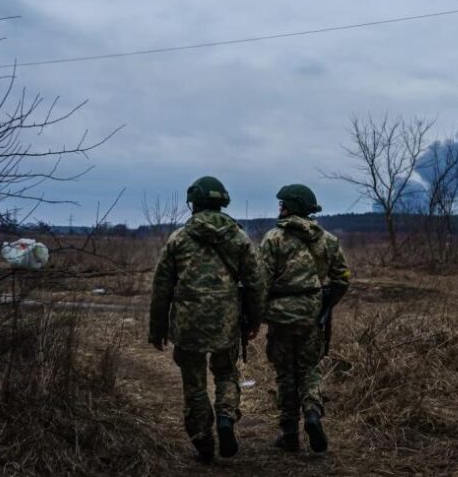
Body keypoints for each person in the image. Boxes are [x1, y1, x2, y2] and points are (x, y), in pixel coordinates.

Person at [148, 176, 264, 463]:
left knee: (194, 383)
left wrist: (157, 328)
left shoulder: (178, 239)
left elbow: (161, 287)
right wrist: (254, 320)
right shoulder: (239, 238)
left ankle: (203, 441)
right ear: (222, 202)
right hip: (226, 321)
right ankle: (225, 417)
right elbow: (255, 282)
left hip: (188, 324)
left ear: (194, 204)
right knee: (226, 372)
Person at [260, 184, 351, 453]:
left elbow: (260, 282)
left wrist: (257, 313)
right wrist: (324, 304)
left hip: (280, 318)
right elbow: (343, 278)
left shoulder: (273, 239)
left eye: (282, 204)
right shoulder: (328, 240)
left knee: (285, 374)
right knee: (310, 369)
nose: (280, 208)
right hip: (312, 316)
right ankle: (312, 412)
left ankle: (289, 434)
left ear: (290, 207)